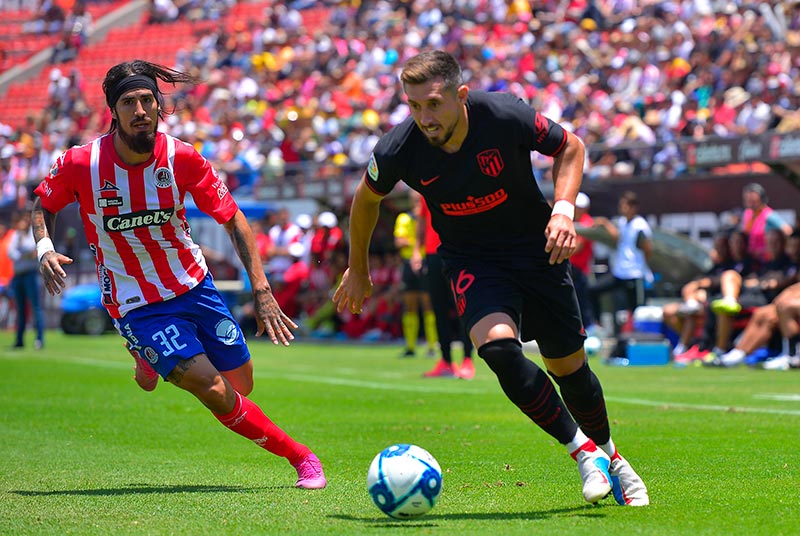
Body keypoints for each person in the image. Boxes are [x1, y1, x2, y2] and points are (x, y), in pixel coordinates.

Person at [332, 50, 648, 506]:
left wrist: (563, 211)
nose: (424, 117)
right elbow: (366, 200)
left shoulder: (503, 114)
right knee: (497, 347)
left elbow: (571, 147)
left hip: (536, 251)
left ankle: (612, 457)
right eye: (414, 106)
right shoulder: (399, 148)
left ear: (461, 96)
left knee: (570, 371)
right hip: (470, 259)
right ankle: (582, 451)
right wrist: (357, 269)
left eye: (434, 104)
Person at [30, 60, 326, 489]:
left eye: (147, 100)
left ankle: (145, 360)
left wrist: (261, 289)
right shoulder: (82, 163)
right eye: (128, 102)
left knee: (241, 384)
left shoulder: (182, 157)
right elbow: (43, 203)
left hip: (192, 284)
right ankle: (303, 459)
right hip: (136, 303)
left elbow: (234, 218)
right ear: (114, 111)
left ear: (158, 105)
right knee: (213, 389)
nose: (139, 110)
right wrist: (45, 250)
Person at [412, 196, 475, 379]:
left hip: (457, 252)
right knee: (438, 309)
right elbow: (422, 221)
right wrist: (417, 250)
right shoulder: (425, 190)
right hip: (432, 254)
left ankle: (467, 360)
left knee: (462, 306)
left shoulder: (457, 184)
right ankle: (446, 361)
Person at [588, 191, 653, 337]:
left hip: (634, 274)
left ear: (634, 207)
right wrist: (605, 223)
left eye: (625, 206)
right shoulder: (623, 222)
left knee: (636, 310)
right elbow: (619, 237)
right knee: (593, 289)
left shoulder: (640, 225)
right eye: (621, 205)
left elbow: (648, 249)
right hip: (619, 273)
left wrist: (639, 265)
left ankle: (638, 339)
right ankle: (597, 325)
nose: (622, 208)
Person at [393, 190, 438, 358]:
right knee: (410, 305)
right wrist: (416, 242)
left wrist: (410, 242)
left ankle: (432, 346)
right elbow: (399, 241)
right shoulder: (404, 218)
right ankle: (410, 346)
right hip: (408, 264)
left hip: (427, 261)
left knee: (429, 305)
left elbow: (405, 240)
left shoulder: (428, 216)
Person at [7, 210, 45, 349]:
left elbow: (33, 250)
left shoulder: (33, 234)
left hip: (30, 274)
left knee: (36, 308)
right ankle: (19, 340)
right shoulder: (16, 235)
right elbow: (11, 252)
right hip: (18, 276)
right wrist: (25, 255)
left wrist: (24, 253)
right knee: (20, 309)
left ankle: (39, 339)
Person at [738, 182, 793, 264]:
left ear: (761, 199)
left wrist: (770, 249)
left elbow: (788, 231)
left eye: (753, 200)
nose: (750, 203)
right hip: (752, 260)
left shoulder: (769, 215)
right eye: (748, 200)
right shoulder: (748, 213)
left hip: (768, 261)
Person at [570, 192, 597, 333]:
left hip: (580, 270)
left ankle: (589, 330)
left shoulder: (587, 223)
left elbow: (577, 247)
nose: (576, 209)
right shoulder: (575, 222)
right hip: (572, 269)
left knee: (582, 302)